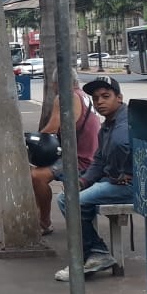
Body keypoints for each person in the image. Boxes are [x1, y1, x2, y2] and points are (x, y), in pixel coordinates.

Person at [53, 76, 133, 282]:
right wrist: (84, 181)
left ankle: (97, 252)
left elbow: (121, 144)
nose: (100, 102)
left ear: (119, 97)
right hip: (115, 181)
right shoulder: (107, 125)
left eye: (106, 96)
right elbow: (98, 160)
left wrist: (115, 174)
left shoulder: (124, 122)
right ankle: (93, 252)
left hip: (131, 186)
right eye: (96, 98)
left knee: (70, 201)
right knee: (69, 196)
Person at [29, 70, 100, 235]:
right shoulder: (83, 96)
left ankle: (44, 222)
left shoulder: (66, 97)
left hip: (80, 161)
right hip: (93, 158)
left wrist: (28, 140)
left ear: (56, 84)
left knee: (36, 176)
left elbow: (53, 128)